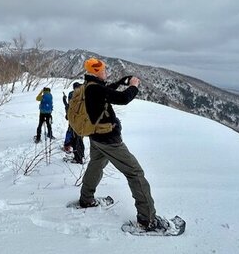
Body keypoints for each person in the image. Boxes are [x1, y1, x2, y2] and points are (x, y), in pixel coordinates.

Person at [78, 57, 166, 232]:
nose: (107, 72)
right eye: (104, 70)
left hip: (96, 137)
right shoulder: (96, 89)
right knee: (135, 173)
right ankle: (147, 220)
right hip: (109, 140)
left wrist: (120, 81)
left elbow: (106, 91)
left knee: (96, 164)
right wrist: (133, 86)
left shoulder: (89, 86)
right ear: (97, 72)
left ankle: (86, 199)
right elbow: (123, 98)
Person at [62, 82, 85, 164]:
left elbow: (69, 108)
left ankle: (78, 158)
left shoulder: (73, 95)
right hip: (82, 122)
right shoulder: (83, 95)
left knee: (75, 139)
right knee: (79, 139)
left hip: (74, 122)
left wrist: (64, 101)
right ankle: (80, 156)